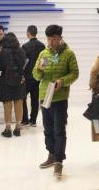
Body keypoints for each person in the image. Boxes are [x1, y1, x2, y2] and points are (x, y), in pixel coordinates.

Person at [34, 24, 79, 178]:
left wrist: (63, 81)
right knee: (47, 129)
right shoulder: (43, 54)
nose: (50, 42)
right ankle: (51, 154)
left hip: (60, 98)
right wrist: (39, 69)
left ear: (60, 38)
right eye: (48, 39)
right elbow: (36, 76)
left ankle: (59, 161)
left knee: (59, 130)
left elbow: (75, 73)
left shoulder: (69, 54)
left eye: (53, 39)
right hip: (44, 96)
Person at [0, 32, 26, 138]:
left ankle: (8, 129)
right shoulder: (21, 50)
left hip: (6, 80)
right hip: (19, 80)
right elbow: (24, 65)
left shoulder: (3, 51)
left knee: (7, 104)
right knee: (18, 103)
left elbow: (0, 66)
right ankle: (18, 128)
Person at [21, 25, 45, 127]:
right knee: (35, 99)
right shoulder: (42, 46)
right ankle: (33, 120)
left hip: (27, 76)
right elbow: (44, 61)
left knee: (22, 97)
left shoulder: (25, 46)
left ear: (28, 33)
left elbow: (23, 63)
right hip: (38, 76)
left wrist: (22, 74)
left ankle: (25, 120)